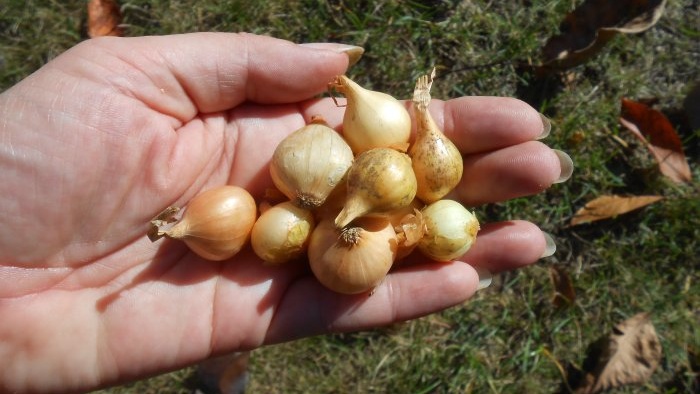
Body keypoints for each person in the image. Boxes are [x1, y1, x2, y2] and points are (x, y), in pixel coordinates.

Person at [0, 32, 572, 393]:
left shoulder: (353, 199)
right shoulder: (324, 197)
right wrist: (186, 226)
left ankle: (222, 374)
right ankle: (224, 375)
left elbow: (357, 203)